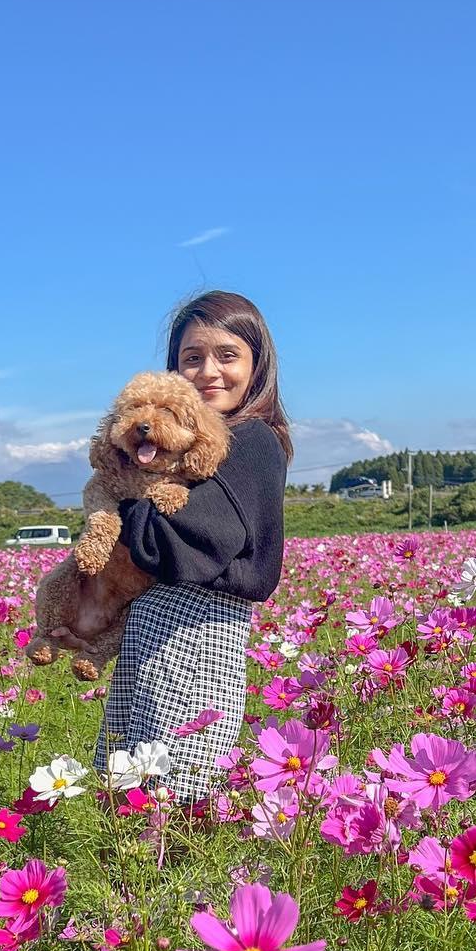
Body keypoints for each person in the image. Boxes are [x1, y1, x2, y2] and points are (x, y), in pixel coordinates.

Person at [91, 289, 292, 807]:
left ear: (257, 364)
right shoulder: (183, 446)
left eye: (228, 356)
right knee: (129, 789)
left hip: (196, 631)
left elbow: (179, 543)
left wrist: (126, 501)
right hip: (157, 631)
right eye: (191, 358)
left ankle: (163, 887)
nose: (209, 372)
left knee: (174, 792)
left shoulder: (249, 442)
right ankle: (134, 886)